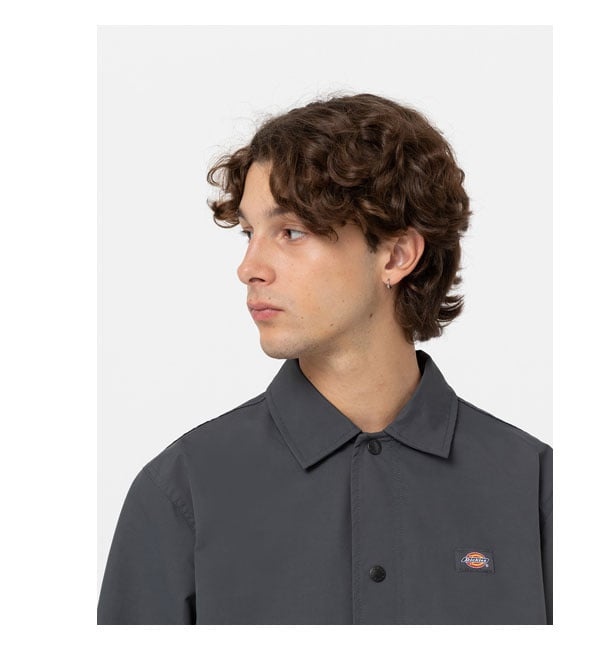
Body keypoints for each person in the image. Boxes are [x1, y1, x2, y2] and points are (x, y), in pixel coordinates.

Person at [97, 92, 552, 625]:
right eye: (249, 233)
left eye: (291, 232)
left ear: (396, 255)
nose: (249, 267)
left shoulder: (533, 486)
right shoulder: (184, 490)